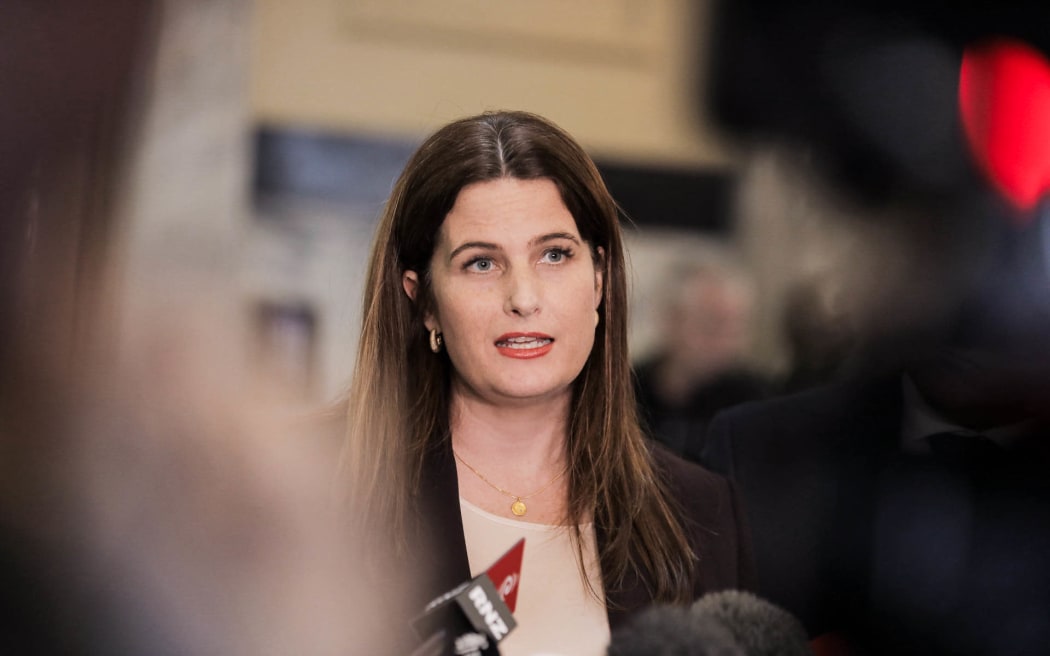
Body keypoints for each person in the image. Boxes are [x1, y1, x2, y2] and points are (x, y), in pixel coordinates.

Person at [338, 110, 756, 656]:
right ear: (424, 301)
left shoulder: (699, 512)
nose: (524, 298)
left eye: (555, 255)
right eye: (481, 263)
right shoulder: (315, 489)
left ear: (600, 278)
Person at [633, 259, 769, 462]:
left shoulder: (755, 404)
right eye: (712, 324)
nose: (727, 342)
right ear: (671, 320)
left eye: (737, 329)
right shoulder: (627, 390)